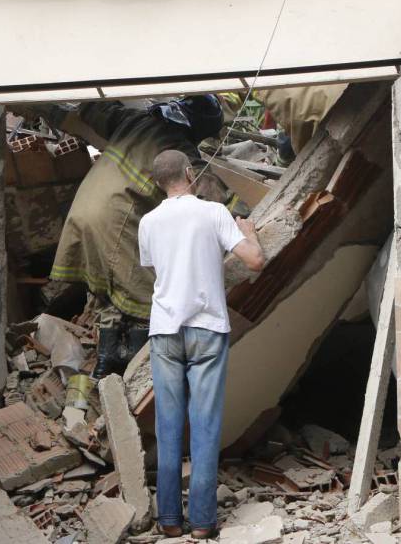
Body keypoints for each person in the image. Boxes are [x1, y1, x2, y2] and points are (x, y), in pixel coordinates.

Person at [34, 96, 231, 380]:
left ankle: (106, 361)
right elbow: (213, 198)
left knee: (106, 290)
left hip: (82, 214)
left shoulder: (134, 120)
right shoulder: (182, 155)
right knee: (149, 291)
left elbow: (91, 110)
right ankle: (136, 369)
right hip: (118, 221)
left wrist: (43, 105)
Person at [138, 149, 266, 539]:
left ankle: (170, 521)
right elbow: (255, 261)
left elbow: (155, 268)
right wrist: (250, 234)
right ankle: (203, 523)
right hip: (207, 328)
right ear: (190, 173)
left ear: (159, 183)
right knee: (205, 426)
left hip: (164, 330)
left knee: (168, 427)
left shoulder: (147, 222)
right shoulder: (213, 213)